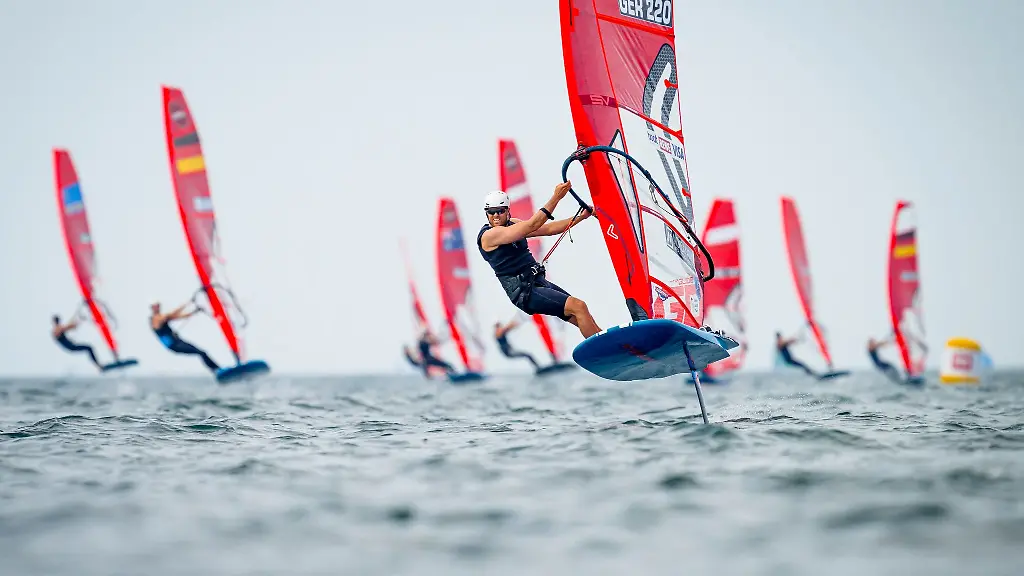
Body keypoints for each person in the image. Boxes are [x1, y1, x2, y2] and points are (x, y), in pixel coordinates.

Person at [477, 183, 601, 339]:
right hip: (525, 292)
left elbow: (548, 229)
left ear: (508, 210)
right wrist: (556, 197)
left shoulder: (513, 224)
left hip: (536, 282)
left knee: (582, 315)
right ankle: (607, 353)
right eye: (491, 212)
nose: (495, 216)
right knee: (578, 306)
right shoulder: (489, 236)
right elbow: (533, 223)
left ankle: (617, 348)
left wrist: (581, 217)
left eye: (500, 211)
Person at [150, 302, 220, 373]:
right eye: (155, 306)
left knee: (202, 352)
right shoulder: (154, 319)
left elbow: (181, 316)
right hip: (174, 345)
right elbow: (172, 314)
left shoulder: (164, 317)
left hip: (179, 341)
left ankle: (218, 369)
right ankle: (216, 370)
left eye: (158, 306)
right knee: (200, 353)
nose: (157, 307)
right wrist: (188, 303)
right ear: (152, 308)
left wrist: (194, 311)